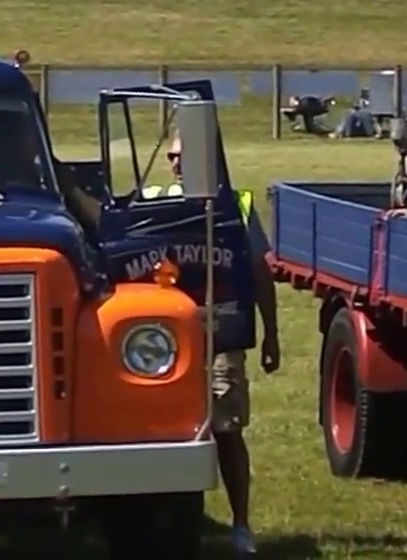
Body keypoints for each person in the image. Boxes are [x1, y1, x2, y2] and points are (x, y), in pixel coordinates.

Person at [162, 134, 280, 556]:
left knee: (227, 428)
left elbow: (260, 273)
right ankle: (175, 524)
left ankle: (241, 525)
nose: (176, 164)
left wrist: (271, 333)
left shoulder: (237, 206)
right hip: (169, 341)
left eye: (184, 156)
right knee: (168, 433)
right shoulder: (157, 205)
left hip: (224, 334)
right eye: (172, 156)